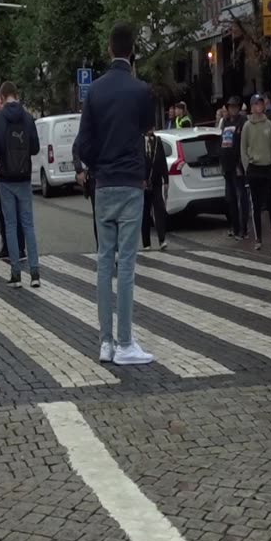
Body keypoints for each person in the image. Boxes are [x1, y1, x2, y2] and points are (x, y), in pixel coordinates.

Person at [73, 22, 155, 366]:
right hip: (131, 182)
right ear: (132, 50)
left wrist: (93, 165)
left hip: (104, 184)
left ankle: (105, 341)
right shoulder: (141, 90)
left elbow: (83, 142)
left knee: (104, 262)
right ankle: (125, 342)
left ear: (109, 49)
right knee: (127, 265)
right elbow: (147, 130)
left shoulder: (95, 92)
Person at [0, 81, 41, 288]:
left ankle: (16, 274)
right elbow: (35, 148)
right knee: (28, 224)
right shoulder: (28, 118)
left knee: (10, 225)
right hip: (24, 177)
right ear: (17, 95)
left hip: (6, 178)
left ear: (2, 97)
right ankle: (35, 273)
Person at [240, 93, 271, 251]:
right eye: (256, 104)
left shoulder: (268, 124)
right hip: (254, 169)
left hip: (267, 167)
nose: (259, 107)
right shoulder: (247, 126)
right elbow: (243, 148)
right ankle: (258, 238)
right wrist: (247, 167)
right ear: (251, 107)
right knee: (256, 204)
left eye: (261, 104)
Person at [219, 95, 249, 240]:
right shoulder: (224, 122)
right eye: (230, 107)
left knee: (241, 197)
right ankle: (234, 226)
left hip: (238, 165)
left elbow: (243, 144)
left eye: (235, 107)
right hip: (227, 165)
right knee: (230, 198)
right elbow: (222, 143)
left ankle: (243, 228)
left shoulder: (243, 122)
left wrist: (240, 164)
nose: (233, 109)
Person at [141, 128, 168, 251]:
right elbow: (136, 161)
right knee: (145, 213)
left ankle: (162, 239)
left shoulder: (158, 141)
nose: (150, 128)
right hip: (143, 184)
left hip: (156, 182)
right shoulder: (139, 141)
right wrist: (140, 178)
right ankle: (146, 243)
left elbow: (163, 161)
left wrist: (166, 180)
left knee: (159, 210)